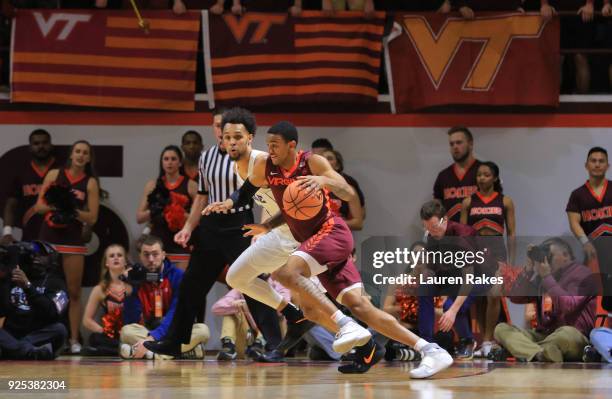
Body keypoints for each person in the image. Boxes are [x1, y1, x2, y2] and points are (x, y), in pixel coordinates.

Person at [206, 121, 454, 378]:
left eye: (275, 145)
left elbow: (347, 193)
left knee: (285, 273)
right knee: (358, 308)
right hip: (315, 242)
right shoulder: (268, 167)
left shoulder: (312, 162)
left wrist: (324, 179)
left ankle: (346, 325)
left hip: (331, 232)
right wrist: (264, 224)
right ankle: (431, 350)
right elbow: (256, 197)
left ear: (292, 145)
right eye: (268, 145)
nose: (270, 150)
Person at [144, 108, 284, 357]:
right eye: (218, 127)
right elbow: (201, 196)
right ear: (214, 129)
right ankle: (175, 342)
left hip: (239, 224)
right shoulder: (206, 157)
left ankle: (275, 344)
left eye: (228, 129)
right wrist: (188, 228)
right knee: (190, 285)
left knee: (252, 283)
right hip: (210, 228)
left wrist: (261, 230)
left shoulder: (251, 159)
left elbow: (266, 197)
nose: (223, 133)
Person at [36, 140, 100, 354]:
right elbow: (39, 207)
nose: (81, 155)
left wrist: (71, 210)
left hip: (73, 241)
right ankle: (40, 336)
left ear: (89, 158)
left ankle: (74, 340)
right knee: (44, 290)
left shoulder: (90, 182)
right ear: (71, 155)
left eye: (85, 153)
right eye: (77, 151)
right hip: (50, 237)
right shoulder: (55, 175)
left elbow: (92, 216)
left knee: (73, 292)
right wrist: (57, 206)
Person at [494, 237, 598, 362]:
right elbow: (516, 297)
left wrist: (547, 277)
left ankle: (526, 351)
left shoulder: (583, 274)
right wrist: (528, 270)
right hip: (544, 335)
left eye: (549, 255)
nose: (546, 260)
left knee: (565, 333)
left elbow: (568, 306)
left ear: (565, 255)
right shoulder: (542, 278)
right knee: (501, 329)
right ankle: (540, 354)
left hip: (574, 336)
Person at [419, 199, 490, 360]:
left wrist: (452, 311)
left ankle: (467, 341)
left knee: (450, 306)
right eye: (427, 228)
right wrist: (427, 272)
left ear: (445, 219)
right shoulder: (431, 235)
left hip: (479, 277)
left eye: (435, 227)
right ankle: (426, 344)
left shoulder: (462, 237)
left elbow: (469, 278)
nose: (431, 231)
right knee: (424, 287)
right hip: (453, 277)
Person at [120, 235, 209, 360]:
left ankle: (150, 352)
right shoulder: (136, 277)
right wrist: (130, 292)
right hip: (148, 330)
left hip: (172, 330)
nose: (151, 259)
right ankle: (180, 352)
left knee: (203, 330)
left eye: (155, 254)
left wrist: (152, 339)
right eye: (146, 255)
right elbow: (130, 320)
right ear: (140, 256)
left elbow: (176, 313)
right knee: (126, 331)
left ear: (163, 255)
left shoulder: (178, 276)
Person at [460, 161, 516, 357]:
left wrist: (511, 262)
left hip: (497, 251)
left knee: (494, 295)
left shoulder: (505, 201)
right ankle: (482, 340)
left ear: (494, 178)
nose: (481, 178)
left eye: (486, 174)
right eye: (478, 175)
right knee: (479, 299)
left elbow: (511, 234)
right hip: (475, 251)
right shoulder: (468, 202)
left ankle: (487, 340)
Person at [0, 241, 68, 360]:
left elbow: (52, 313)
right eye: (33, 253)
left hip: (38, 335)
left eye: (42, 254)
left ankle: (14, 350)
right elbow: (3, 310)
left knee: (60, 330)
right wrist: (6, 278)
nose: (36, 256)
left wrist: (27, 286)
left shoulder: (57, 283)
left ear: (52, 259)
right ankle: (28, 351)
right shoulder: (12, 278)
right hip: (12, 333)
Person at [137, 145, 196, 270]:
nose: (169, 162)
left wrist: (177, 211)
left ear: (180, 162)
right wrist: (157, 208)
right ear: (161, 162)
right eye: (166, 159)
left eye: (173, 159)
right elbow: (139, 217)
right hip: (156, 245)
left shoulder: (191, 185)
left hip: (181, 244)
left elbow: (201, 218)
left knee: (180, 287)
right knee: (155, 287)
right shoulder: (152, 185)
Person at [566, 147, 611, 298]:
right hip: (594, 252)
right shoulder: (577, 195)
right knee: (601, 294)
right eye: (593, 161)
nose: (597, 164)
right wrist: (585, 242)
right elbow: (574, 222)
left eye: (601, 161)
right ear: (586, 165)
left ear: (607, 165)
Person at [213, 275, 290, 360]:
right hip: (249, 337)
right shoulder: (243, 286)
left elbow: (285, 308)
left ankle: (261, 344)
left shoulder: (279, 284)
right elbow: (216, 308)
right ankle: (228, 347)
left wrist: (264, 299)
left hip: (276, 340)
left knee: (276, 314)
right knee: (230, 313)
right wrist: (239, 304)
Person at [2, 129, 58, 245]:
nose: (41, 146)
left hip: (59, 235)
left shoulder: (61, 171)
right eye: (36, 143)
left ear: (51, 145)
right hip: (30, 236)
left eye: (44, 143)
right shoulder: (21, 172)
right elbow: (11, 205)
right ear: (30, 147)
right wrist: (7, 232)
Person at [81, 244, 128, 356]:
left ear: (125, 261)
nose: (116, 258)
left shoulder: (133, 286)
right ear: (106, 263)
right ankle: (126, 350)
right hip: (110, 337)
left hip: (130, 334)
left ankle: (123, 349)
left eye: (120, 255)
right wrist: (104, 331)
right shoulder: (100, 289)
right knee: (94, 339)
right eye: (112, 256)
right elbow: (86, 320)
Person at [433, 126, 480, 223]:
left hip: (479, 234)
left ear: (470, 144)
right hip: (451, 235)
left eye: (459, 142)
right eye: (451, 144)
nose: (455, 147)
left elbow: (496, 206)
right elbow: (436, 209)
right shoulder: (443, 176)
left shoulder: (485, 172)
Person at [321, 149, 365, 231]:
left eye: (329, 158)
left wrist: (332, 223)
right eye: (322, 158)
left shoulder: (349, 189)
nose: (325, 161)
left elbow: (358, 223)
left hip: (338, 236)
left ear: (337, 166)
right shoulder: (313, 187)